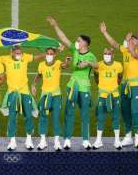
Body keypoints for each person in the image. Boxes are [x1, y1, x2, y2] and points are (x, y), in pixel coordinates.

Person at [47, 16, 98, 150]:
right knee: (69, 112)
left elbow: (97, 66)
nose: (76, 42)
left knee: (85, 114)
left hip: (85, 88)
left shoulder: (91, 55)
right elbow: (63, 38)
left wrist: (88, 63)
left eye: (78, 41)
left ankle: (86, 140)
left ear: (85, 44)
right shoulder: (74, 51)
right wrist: (55, 25)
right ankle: (67, 140)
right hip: (72, 86)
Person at [99, 22, 138, 148]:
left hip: (135, 86)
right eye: (132, 41)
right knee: (125, 111)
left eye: (135, 41)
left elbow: (134, 54)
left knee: (135, 111)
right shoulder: (125, 50)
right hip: (124, 86)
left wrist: (128, 43)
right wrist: (104, 32)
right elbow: (113, 44)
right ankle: (128, 136)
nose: (133, 43)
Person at [0, 45, 45, 151]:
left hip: (24, 92)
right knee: (12, 117)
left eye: (20, 53)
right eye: (17, 53)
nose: (19, 55)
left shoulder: (26, 57)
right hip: (12, 93)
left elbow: (37, 57)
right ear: (12, 52)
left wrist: (46, 54)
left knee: (28, 116)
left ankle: (29, 139)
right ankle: (12, 141)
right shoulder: (4, 59)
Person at [31, 47, 71, 151]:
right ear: (45, 54)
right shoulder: (41, 65)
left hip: (56, 95)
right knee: (43, 117)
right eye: (47, 53)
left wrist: (66, 62)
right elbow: (39, 75)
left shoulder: (58, 63)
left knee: (56, 117)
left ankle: (57, 142)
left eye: (51, 53)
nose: (49, 55)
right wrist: (34, 85)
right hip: (44, 95)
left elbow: (65, 65)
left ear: (54, 55)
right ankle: (43, 141)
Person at [92, 48, 123, 149]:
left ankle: (117, 140)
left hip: (115, 95)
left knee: (116, 117)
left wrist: (114, 86)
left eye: (109, 54)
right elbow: (95, 76)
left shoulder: (118, 65)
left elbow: (120, 77)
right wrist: (101, 85)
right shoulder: (98, 65)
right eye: (105, 53)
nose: (106, 55)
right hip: (103, 96)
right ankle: (98, 140)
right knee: (101, 117)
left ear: (113, 55)